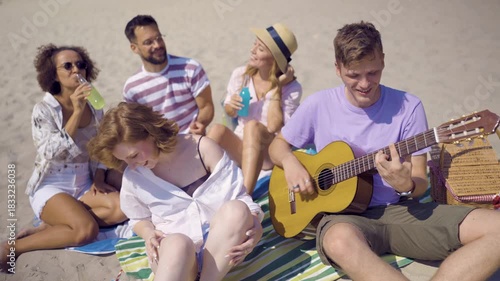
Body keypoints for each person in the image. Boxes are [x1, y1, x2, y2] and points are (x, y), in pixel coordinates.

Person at [269, 21, 500, 280]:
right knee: (339, 242)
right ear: (337, 68)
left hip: (398, 210)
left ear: (383, 61)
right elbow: (277, 146)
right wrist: (290, 164)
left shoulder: (409, 107)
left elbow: (420, 182)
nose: (365, 84)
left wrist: (406, 185)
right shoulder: (318, 105)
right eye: (353, 75)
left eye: (373, 73)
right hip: (342, 219)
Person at [87, 102, 263, 281]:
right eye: (124, 160)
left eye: (133, 155)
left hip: (222, 247)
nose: (132, 165)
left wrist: (254, 221)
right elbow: (138, 218)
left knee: (237, 210)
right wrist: (148, 233)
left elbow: (240, 196)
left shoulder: (202, 149)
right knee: (177, 243)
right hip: (176, 256)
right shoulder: (134, 177)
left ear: (151, 133)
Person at [0, 44, 127, 273]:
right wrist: (77, 112)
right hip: (52, 184)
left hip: (83, 182)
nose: (75, 70)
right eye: (67, 66)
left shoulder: (95, 106)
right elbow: (49, 152)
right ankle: (13, 247)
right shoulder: (43, 110)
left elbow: (101, 145)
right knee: (85, 230)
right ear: (54, 74)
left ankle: (48, 227)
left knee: (122, 207)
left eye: (80, 64)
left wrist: (99, 176)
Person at [207, 23, 302, 194]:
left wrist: (277, 89)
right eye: (254, 44)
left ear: (274, 58)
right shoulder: (241, 75)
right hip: (241, 147)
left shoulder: (292, 88)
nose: (253, 50)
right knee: (217, 130)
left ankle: (245, 195)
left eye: (260, 48)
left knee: (253, 126)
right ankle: (199, 184)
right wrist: (232, 107)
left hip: (267, 151)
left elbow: (274, 127)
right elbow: (229, 113)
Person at [123, 15, 214, 135]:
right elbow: (136, 129)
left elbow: (206, 107)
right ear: (134, 48)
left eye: (159, 38)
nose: (157, 45)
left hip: (194, 142)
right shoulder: (132, 89)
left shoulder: (191, 68)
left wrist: (200, 123)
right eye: (148, 42)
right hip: (159, 150)